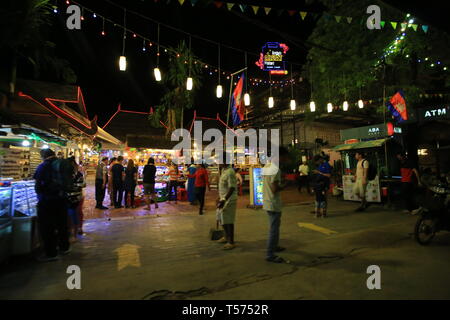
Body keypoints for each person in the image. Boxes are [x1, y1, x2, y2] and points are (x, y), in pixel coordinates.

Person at [33, 149, 71, 261]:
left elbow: (38, 186)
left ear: (43, 156)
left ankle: (51, 253)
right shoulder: (62, 164)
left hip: (47, 201)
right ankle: (65, 247)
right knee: (62, 224)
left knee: (47, 227)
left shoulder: (43, 166)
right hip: (62, 199)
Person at [262, 146, 290, 263]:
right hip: (273, 202)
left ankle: (275, 246)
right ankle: (270, 254)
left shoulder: (267, 166)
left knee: (274, 226)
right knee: (274, 229)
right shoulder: (276, 169)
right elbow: (275, 189)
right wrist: (286, 184)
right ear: (280, 156)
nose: (285, 159)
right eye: (285, 157)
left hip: (267, 201)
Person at [216, 159, 238, 250]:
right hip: (223, 198)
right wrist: (220, 197)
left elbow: (232, 187)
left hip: (229, 200)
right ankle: (226, 237)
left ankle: (231, 241)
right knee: (222, 219)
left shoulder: (230, 172)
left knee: (228, 220)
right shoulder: (224, 170)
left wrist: (224, 199)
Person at [67, 157, 86, 239]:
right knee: (74, 213)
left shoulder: (78, 174)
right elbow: (82, 185)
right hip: (74, 197)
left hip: (76, 197)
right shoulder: (68, 174)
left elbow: (82, 185)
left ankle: (76, 231)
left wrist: (70, 186)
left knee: (75, 213)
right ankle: (75, 231)